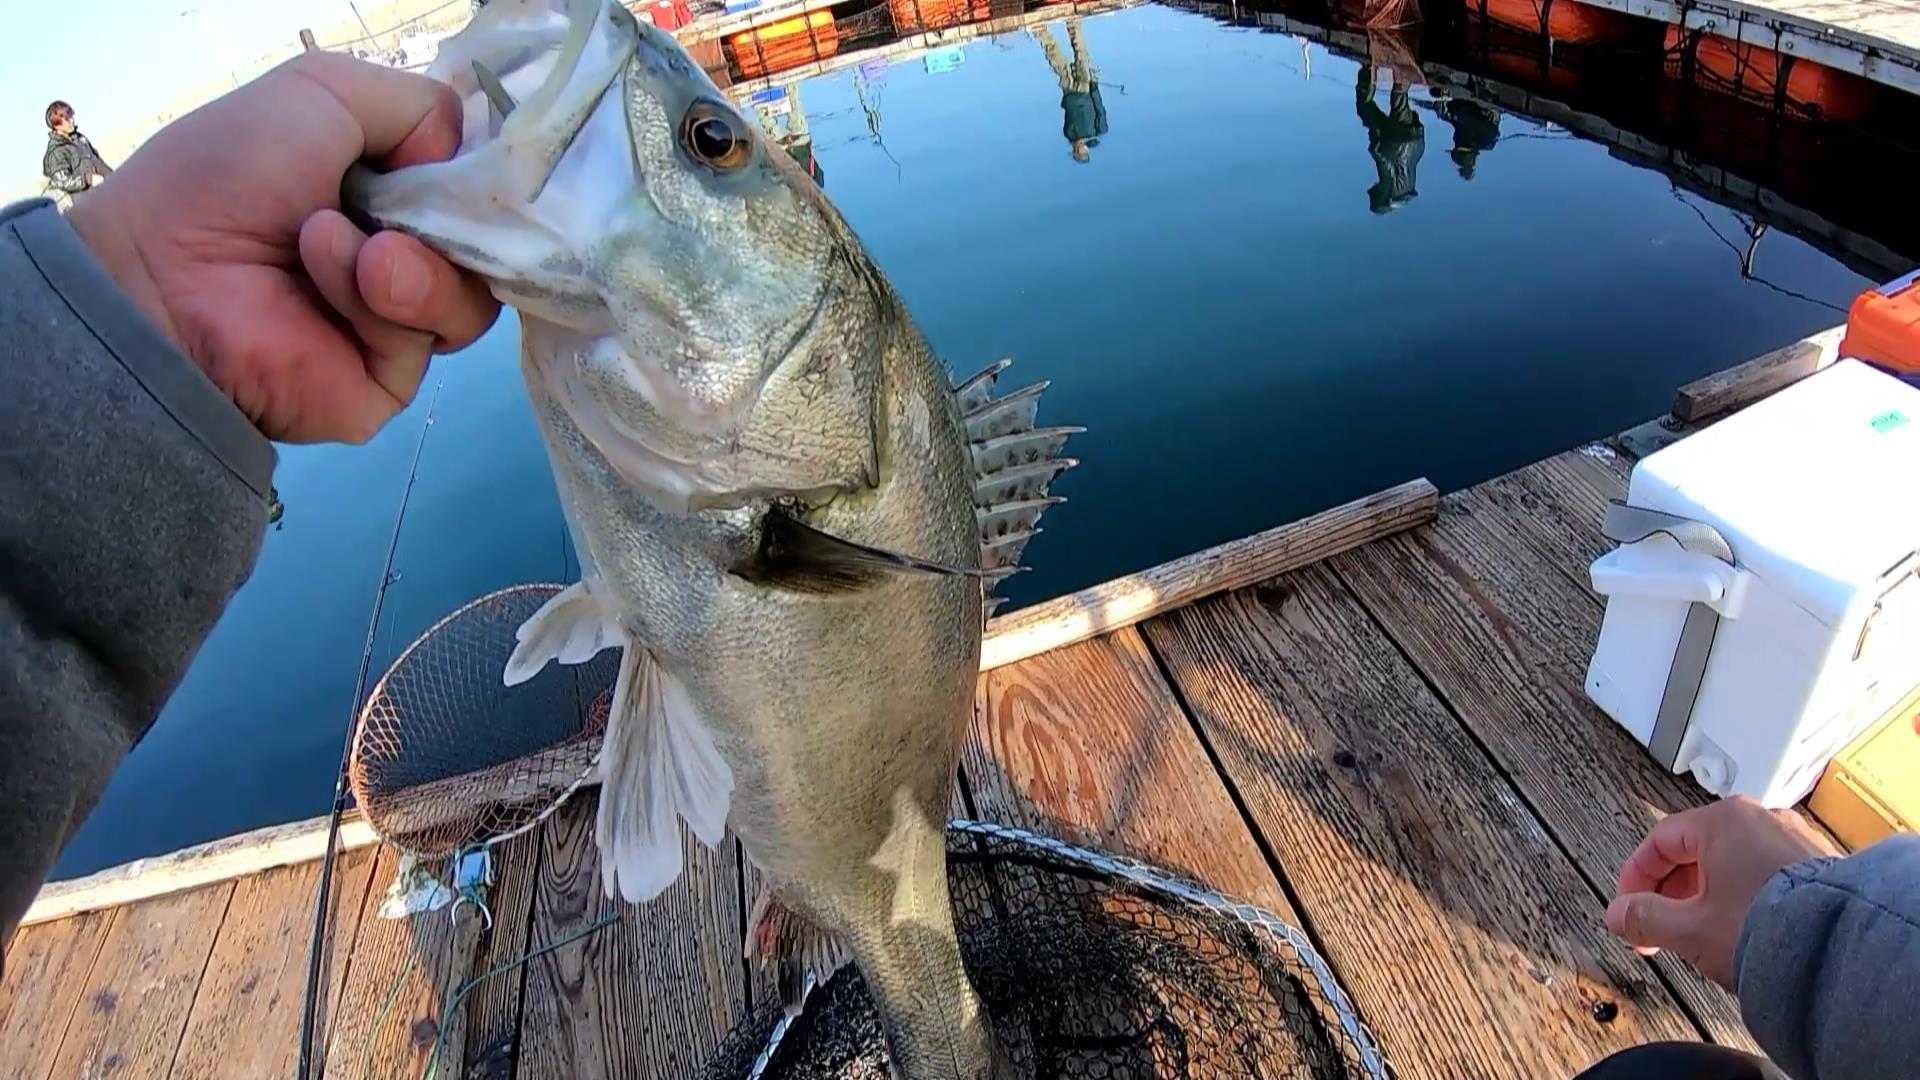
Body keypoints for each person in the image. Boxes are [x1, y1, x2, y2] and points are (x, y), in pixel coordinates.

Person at [0, 49, 1914, 1080]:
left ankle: (863, 925)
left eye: (712, 148)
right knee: (827, 829)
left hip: (767, 625)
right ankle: (850, 909)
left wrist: (129, 328)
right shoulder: (748, 466)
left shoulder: (760, 475)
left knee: (835, 843)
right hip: (767, 619)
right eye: (712, 143)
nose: (678, 146)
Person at [1032, 18, 1107, 164]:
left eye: (1077, 152)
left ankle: (1041, 31)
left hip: (1070, 93)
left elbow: (1069, 116)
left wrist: (1075, 139)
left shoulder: (1069, 135)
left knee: (1057, 60)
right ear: (1086, 150)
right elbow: (1100, 109)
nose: (1079, 149)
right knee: (1081, 54)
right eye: (1081, 152)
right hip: (1085, 91)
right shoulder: (1099, 131)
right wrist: (1094, 86)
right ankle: (1073, 23)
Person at [1355, 62, 1424, 213]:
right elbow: (1382, 158)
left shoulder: (1406, 192)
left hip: (1416, 142)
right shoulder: (1388, 191)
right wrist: (1374, 144)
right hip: (1397, 143)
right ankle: (1370, 69)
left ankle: (1401, 71)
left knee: (1399, 103)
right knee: (1365, 108)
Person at [40, 101, 114, 203]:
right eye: (67, 119)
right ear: (56, 125)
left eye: (71, 117)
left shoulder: (80, 138)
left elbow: (97, 160)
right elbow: (62, 182)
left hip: (109, 189)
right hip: (89, 203)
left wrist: (112, 177)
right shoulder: (56, 152)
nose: (72, 121)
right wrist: (87, 179)